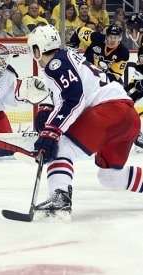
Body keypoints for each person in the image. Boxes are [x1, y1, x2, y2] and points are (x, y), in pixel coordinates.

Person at [25, 25, 142, 218]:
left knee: (60, 144)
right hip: (127, 117)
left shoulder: (56, 64)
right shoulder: (68, 58)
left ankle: (59, 199)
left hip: (110, 110)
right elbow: (72, 97)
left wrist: (51, 132)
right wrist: (48, 113)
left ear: (37, 50)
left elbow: (73, 98)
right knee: (110, 176)